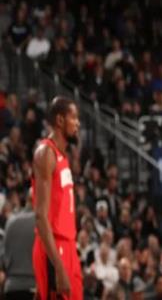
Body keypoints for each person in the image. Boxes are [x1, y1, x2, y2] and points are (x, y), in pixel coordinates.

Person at [32, 96, 83, 299]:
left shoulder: (62, 156)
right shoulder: (46, 153)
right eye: (74, 117)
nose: (78, 123)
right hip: (55, 247)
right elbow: (40, 216)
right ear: (60, 120)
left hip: (68, 246)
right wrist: (58, 266)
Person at [2, 188, 36, 299]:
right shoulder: (42, 224)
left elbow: (3, 256)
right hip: (34, 287)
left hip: (12, 286)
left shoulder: (11, 220)